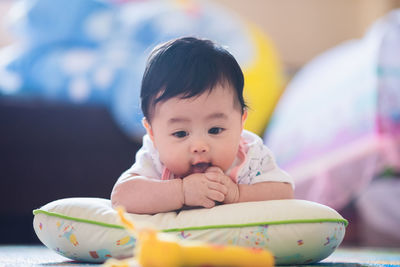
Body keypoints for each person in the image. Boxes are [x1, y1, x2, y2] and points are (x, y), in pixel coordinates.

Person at [111, 37, 294, 214]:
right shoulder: (155, 158)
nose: (200, 146)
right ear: (153, 134)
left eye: (215, 130)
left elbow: (284, 192)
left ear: (240, 123)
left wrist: (237, 194)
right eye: (181, 133)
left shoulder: (250, 155)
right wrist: (181, 192)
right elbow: (121, 198)